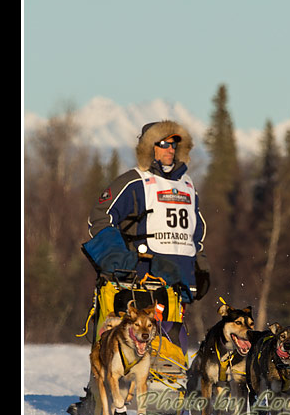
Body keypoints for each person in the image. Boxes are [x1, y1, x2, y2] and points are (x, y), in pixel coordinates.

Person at [83, 119, 210, 303]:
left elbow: (195, 232)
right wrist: (117, 258)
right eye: (164, 144)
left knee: (174, 332)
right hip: (143, 282)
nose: (171, 149)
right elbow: (100, 216)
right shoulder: (134, 181)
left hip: (180, 283)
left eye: (174, 144)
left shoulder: (187, 184)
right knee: (144, 333)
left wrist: (202, 268)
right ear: (150, 147)